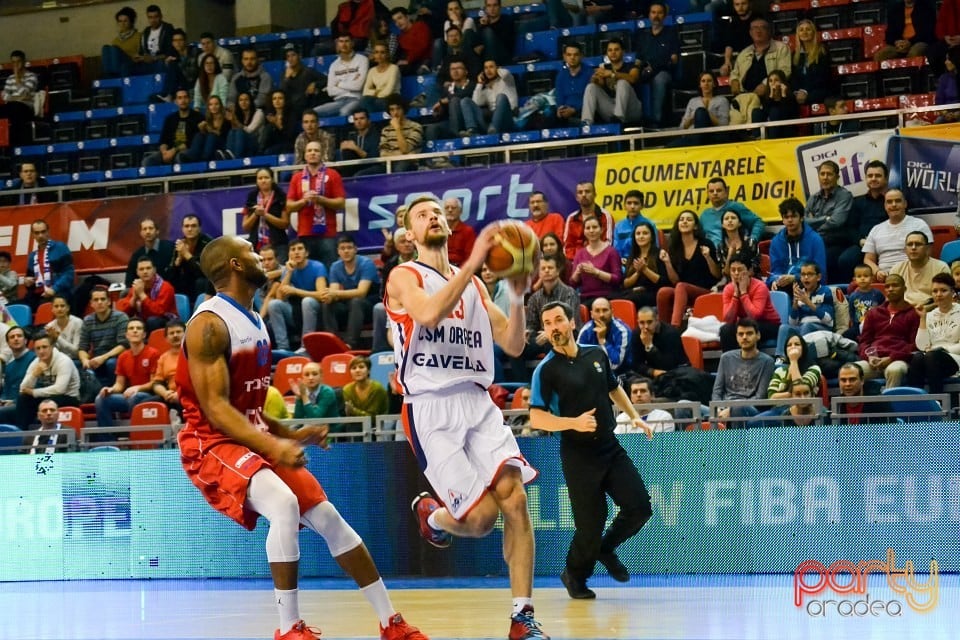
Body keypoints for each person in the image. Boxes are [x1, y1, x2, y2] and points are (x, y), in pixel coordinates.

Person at [175, 235, 427, 640]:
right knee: (284, 504)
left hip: (251, 436)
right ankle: (289, 628)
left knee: (330, 519)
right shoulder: (209, 324)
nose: (261, 257)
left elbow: (250, 411)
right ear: (236, 266)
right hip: (210, 443)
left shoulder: (254, 318)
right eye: (252, 253)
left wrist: (292, 432)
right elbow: (217, 410)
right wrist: (274, 446)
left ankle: (390, 623)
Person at [385, 196, 548, 639]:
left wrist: (516, 297)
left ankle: (522, 617)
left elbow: (513, 345)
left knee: (514, 498)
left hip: (478, 402)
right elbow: (429, 312)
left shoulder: (472, 285)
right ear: (409, 234)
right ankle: (433, 516)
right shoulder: (404, 276)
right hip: (430, 407)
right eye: (421, 214)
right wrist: (477, 260)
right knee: (480, 520)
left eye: (436, 211)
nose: (432, 216)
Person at [529, 300, 653, 599]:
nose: (554, 327)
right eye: (548, 324)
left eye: (558, 320)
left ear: (572, 323)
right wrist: (573, 422)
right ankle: (574, 574)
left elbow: (613, 387)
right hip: (578, 455)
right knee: (590, 524)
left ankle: (605, 549)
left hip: (610, 447)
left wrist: (634, 416)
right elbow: (536, 417)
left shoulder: (596, 354)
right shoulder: (545, 371)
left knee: (639, 506)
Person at [286, 140, 346, 267]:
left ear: (322, 153)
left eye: (316, 150)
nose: (312, 153)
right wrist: (304, 201)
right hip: (305, 233)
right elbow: (289, 206)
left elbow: (341, 203)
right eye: (309, 150)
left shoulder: (333, 175)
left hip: (327, 233)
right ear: (305, 155)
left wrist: (321, 199)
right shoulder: (297, 177)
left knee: (330, 270)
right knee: (307, 271)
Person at [855, 274, 919, 389]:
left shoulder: (913, 314)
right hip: (874, 361)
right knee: (852, 370)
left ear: (904, 289)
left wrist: (892, 358)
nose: (890, 289)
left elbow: (914, 345)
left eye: (895, 285)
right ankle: (856, 406)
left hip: (898, 359)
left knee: (894, 370)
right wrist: (869, 356)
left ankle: (889, 406)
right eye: (887, 286)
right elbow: (864, 341)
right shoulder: (874, 313)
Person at [94, 318, 161, 429]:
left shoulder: (153, 353)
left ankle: (135, 434)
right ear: (127, 335)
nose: (135, 331)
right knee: (101, 399)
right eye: (131, 328)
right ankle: (107, 440)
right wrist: (110, 389)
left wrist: (137, 388)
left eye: (138, 328)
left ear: (144, 335)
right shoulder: (123, 356)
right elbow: (119, 385)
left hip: (147, 395)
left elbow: (154, 383)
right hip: (129, 395)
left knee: (134, 397)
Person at [657, 210, 720, 327]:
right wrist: (667, 263)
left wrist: (708, 257)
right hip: (682, 291)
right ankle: (662, 329)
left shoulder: (706, 243)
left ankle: (674, 327)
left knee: (681, 286)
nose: (684, 222)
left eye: (689, 220)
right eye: (682, 220)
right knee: (663, 292)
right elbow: (675, 281)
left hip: (705, 290)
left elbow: (717, 275)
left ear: (695, 226)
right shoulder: (674, 247)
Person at [321, 234, 380, 349]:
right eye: (343, 249)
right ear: (338, 251)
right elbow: (334, 292)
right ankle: (333, 341)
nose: (346, 251)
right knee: (327, 304)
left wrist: (335, 293)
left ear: (355, 250)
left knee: (356, 301)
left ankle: (350, 344)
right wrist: (328, 296)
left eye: (349, 248)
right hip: (349, 305)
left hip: (369, 306)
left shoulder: (366, 263)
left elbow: (361, 292)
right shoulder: (335, 266)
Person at [268, 239, 329, 351]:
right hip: (297, 312)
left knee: (307, 301)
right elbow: (280, 297)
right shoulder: (289, 269)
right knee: (273, 305)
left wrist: (296, 291)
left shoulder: (317, 266)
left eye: (300, 249)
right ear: (289, 254)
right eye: (293, 250)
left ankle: (306, 346)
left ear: (306, 253)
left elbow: (322, 295)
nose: (296, 252)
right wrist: (289, 272)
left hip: (316, 311)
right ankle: (283, 347)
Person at [712, 317, 775, 425]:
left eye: (749, 333)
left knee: (738, 407)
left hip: (749, 410)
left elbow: (760, 397)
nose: (744, 337)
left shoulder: (767, 361)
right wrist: (719, 408)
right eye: (741, 334)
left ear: (758, 335)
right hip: (723, 409)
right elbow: (717, 391)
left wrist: (731, 409)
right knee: (684, 406)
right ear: (736, 337)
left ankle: (738, 442)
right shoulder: (726, 358)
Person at [863, 189, 933, 281]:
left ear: (905, 204)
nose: (893, 205)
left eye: (898, 201)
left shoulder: (919, 225)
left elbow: (926, 254)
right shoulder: (876, 229)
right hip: (885, 280)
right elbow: (868, 260)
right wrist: (877, 271)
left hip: (912, 277)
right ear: (885, 206)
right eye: (889, 202)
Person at [908, 272, 960, 393]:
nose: (939, 294)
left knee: (931, 356)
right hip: (931, 358)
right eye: (935, 291)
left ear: (953, 293)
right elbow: (921, 346)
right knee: (918, 357)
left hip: (955, 357)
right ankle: (916, 403)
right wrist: (922, 319)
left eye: (943, 290)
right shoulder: (930, 315)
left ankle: (937, 401)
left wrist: (943, 350)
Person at [719, 251, 780, 353]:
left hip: (770, 324)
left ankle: (752, 361)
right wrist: (735, 295)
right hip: (747, 322)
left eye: (740, 270)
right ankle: (730, 362)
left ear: (749, 271)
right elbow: (728, 319)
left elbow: (755, 315)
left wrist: (743, 293)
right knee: (725, 330)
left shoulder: (760, 287)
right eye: (733, 270)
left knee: (750, 328)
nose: (736, 274)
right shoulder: (728, 289)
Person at [804, 160, 853, 282]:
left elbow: (837, 222)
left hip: (835, 242)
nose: (825, 178)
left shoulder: (844, 196)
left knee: (822, 260)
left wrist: (814, 222)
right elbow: (803, 222)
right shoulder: (814, 198)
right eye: (822, 174)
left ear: (837, 177)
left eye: (829, 174)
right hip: (814, 241)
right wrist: (825, 218)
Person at [841, 160, 889, 279]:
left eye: (878, 176)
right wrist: (860, 241)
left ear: (886, 179)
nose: (873, 179)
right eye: (870, 176)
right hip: (862, 244)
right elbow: (850, 228)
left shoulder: (892, 200)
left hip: (885, 243)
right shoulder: (857, 202)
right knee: (845, 260)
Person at [767, 198, 827, 293]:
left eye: (794, 216)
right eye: (786, 217)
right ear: (782, 220)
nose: (790, 220)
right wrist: (774, 281)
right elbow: (775, 270)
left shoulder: (815, 240)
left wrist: (796, 278)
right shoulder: (776, 242)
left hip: (809, 287)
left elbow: (820, 273)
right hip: (784, 287)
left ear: (802, 218)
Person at [634, 2, 679, 129]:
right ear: (649, 15)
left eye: (659, 13)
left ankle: (656, 121)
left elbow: (673, 59)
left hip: (664, 71)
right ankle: (638, 120)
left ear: (664, 16)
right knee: (631, 78)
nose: (656, 16)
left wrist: (655, 66)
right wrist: (636, 70)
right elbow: (638, 59)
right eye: (653, 12)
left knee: (659, 79)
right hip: (645, 71)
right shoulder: (643, 36)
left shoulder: (671, 33)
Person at [580, 38, 643, 126]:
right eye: (610, 50)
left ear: (623, 52)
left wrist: (612, 74)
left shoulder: (631, 66)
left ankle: (619, 117)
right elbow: (600, 84)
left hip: (631, 110)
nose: (613, 53)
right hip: (611, 109)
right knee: (591, 87)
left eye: (616, 49)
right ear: (607, 53)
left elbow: (633, 78)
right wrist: (595, 80)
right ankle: (586, 123)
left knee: (622, 82)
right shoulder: (603, 68)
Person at [78, 285, 129, 386]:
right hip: (97, 359)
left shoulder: (121, 317)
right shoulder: (87, 320)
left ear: (109, 302)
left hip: (116, 357)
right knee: (75, 364)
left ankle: (116, 390)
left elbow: (124, 345)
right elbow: (82, 347)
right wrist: (85, 360)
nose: (100, 302)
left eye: (102, 299)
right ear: (91, 303)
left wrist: (104, 357)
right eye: (96, 300)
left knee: (111, 363)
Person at [141, 89, 204, 167]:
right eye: (180, 98)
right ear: (175, 101)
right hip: (169, 151)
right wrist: (164, 152)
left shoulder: (198, 117)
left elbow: (192, 142)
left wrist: (173, 151)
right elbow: (163, 140)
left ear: (190, 100)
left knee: (179, 157)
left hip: (187, 151)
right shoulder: (170, 119)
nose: (183, 100)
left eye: (185, 97)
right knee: (147, 161)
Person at [570, 216, 622, 310]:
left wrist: (596, 272)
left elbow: (617, 279)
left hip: (607, 297)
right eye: (588, 228)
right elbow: (573, 283)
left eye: (594, 227)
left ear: (601, 230)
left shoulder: (611, 252)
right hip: (585, 298)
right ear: (584, 231)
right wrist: (577, 272)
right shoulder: (580, 253)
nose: (591, 231)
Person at [23, 219, 75, 312]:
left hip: (59, 293)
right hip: (37, 295)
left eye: (43, 232)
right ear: (33, 235)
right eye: (37, 233)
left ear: (48, 232)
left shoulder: (60, 247)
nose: (40, 236)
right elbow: (30, 282)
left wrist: (54, 289)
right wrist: (27, 282)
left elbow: (69, 273)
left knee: (43, 306)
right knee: (11, 307)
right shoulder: (32, 256)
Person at [116, 256, 178, 333]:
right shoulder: (137, 287)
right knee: (126, 323)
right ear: (137, 272)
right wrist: (134, 298)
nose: (145, 271)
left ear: (154, 270)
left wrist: (142, 295)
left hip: (167, 322)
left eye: (148, 268)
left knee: (152, 321)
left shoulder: (166, 287)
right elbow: (121, 313)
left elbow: (159, 312)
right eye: (141, 269)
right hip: (143, 321)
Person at [698, 176, 763, 247]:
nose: (715, 193)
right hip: (712, 254)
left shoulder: (736, 207)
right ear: (707, 194)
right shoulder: (704, 215)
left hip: (736, 253)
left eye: (719, 190)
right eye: (711, 191)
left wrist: (753, 239)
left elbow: (758, 222)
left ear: (726, 192)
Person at [890, 231, 949, 307]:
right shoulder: (896, 269)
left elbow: (945, 298)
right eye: (910, 244)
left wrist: (924, 309)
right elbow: (891, 298)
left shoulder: (941, 267)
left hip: (931, 312)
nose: (913, 248)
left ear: (927, 248)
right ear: (905, 249)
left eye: (918, 244)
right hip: (902, 312)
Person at [242, 168, 290, 262]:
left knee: (279, 272)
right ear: (256, 181)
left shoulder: (281, 196)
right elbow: (245, 227)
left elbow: (285, 224)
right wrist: (256, 214)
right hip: (256, 245)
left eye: (266, 177)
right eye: (260, 178)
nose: (263, 180)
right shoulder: (251, 197)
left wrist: (265, 215)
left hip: (278, 245)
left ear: (272, 179)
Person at [314, 36, 369, 118]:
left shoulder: (362, 60)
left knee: (344, 112)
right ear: (337, 44)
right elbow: (330, 91)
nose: (344, 44)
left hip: (356, 99)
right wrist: (351, 84)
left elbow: (358, 86)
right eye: (341, 41)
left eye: (347, 41)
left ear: (352, 43)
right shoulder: (334, 65)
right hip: (338, 101)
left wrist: (339, 84)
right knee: (314, 113)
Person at [460, 58, 517, 135]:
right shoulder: (486, 89)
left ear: (497, 68)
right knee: (465, 101)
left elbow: (505, 74)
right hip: (490, 121)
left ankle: (494, 128)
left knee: (501, 97)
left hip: (507, 117)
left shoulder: (507, 81)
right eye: (486, 68)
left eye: (491, 67)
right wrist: (480, 83)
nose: (488, 70)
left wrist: (498, 70)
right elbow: (476, 102)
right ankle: (472, 130)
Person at [577, 297, 632, 375]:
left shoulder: (623, 331)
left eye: (605, 310)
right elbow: (577, 360)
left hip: (621, 374)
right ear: (591, 314)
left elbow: (614, 366)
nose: (601, 315)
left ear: (612, 312)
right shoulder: (585, 331)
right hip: (593, 374)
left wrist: (602, 340)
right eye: (597, 311)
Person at [673, 71, 729, 147]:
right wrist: (694, 116)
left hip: (713, 137)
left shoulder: (722, 100)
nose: (706, 84)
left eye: (709, 81)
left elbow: (724, 125)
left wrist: (706, 112)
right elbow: (682, 128)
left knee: (701, 112)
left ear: (714, 84)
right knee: (668, 147)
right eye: (703, 81)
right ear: (700, 85)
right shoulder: (693, 101)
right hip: (692, 136)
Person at [621, 221, 667, 311]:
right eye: (638, 234)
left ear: (651, 237)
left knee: (630, 299)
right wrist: (638, 272)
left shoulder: (659, 254)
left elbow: (663, 282)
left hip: (652, 292)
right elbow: (625, 283)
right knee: (612, 297)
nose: (641, 236)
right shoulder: (633, 255)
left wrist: (645, 270)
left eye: (645, 233)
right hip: (633, 291)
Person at [167, 215, 213, 305]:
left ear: (199, 228)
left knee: (200, 282)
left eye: (193, 226)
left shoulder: (207, 243)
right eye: (186, 226)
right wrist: (178, 261)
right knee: (171, 283)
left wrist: (187, 255)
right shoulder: (180, 244)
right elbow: (170, 275)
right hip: (186, 282)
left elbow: (205, 272)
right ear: (182, 229)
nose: (189, 229)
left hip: (204, 282)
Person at [563, 181, 615, 260]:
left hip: (599, 261)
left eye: (587, 191)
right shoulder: (571, 218)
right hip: (575, 261)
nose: (584, 195)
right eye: (580, 192)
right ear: (576, 197)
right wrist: (578, 259)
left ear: (595, 195)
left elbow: (608, 244)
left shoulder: (605, 216)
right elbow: (567, 246)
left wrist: (592, 259)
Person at [791, 19, 833, 107]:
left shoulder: (822, 51)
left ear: (813, 33)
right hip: (800, 93)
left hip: (818, 90)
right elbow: (794, 78)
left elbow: (823, 77)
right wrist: (797, 92)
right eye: (801, 30)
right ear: (798, 34)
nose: (804, 32)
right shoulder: (795, 54)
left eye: (808, 29)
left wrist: (805, 91)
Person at [0, 50, 38, 147]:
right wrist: (19, 98)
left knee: (16, 109)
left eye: (18, 62)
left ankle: (15, 144)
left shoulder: (32, 77)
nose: (15, 65)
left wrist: (17, 78)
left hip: (26, 108)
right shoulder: (9, 78)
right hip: (11, 106)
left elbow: (24, 92)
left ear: (24, 62)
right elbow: (5, 97)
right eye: (13, 62)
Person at [378, 94, 423, 172]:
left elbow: (404, 149)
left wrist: (397, 128)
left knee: (399, 168)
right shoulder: (385, 130)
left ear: (404, 109)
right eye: (392, 110)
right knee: (361, 174)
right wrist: (406, 155)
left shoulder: (416, 127)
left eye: (398, 109)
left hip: (409, 164)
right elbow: (383, 155)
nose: (395, 113)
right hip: (389, 164)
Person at [126, 218, 175, 288]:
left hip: (168, 290)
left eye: (150, 228)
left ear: (157, 231)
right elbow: (129, 281)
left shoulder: (170, 248)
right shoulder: (137, 255)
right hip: (145, 292)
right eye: (144, 229)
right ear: (141, 233)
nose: (148, 232)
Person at [553, 43, 593, 126]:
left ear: (581, 56)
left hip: (583, 112)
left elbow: (591, 98)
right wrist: (560, 109)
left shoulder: (589, 73)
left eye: (576, 55)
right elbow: (559, 97)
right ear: (564, 57)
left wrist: (574, 109)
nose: (572, 57)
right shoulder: (560, 76)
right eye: (569, 55)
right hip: (565, 113)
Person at [151, 319, 185, 414]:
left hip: (190, 395)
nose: (175, 335)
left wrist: (179, 395)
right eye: (171, 333)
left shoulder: (194, 355)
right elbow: (157, 383)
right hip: (170, 395)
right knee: (146, 405)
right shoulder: (163, 358)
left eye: (178, 332)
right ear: (166, 338)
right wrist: (165, 393)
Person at [342, 355, 389, 423]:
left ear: (368, 371)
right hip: (355, 425)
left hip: (378, 427)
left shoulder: (377, 388)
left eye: (361, 367)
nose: (357, 370)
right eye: (354, 368)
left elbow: (372, 418)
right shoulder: (347, 389)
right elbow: (349, 416)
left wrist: (354, 411)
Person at [612, 190, 657, 262]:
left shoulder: (650, 224)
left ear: (642, 206)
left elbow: (655, 249)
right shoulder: (618, 226)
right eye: (629, 203)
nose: (632, 206)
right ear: (624, 206)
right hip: (623, 264)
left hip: (646, 262)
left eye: (636, 203)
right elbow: (615, 250)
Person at [844, 263, 886, 339]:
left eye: (866, 276)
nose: (862, 278)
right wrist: (855, 326)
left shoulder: (877, 294)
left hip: (875, 326)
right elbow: (852, 312)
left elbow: (884, 309)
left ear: (872, 278)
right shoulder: (853, 296)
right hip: (858, 327)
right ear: (855, 279)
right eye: (859, 276)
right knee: (845, 336)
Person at [281, 44, 325, 115]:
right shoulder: (285, 75)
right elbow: (282, 93)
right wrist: (286, 79)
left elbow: (326, 80)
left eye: (293, 55)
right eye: (288, 56)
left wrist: (315, 84)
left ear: (299, 56)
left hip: (306, 105)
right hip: (292, 107)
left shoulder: (308, 71)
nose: (290, 59)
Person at [361, 42, 402, 113]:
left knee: (376, 102)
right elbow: (365, 91)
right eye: (376, 52)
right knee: (364, 100)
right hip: (377, 98)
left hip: (392, 98)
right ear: (373, 55)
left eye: (382, 52)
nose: (379, 55)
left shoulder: (394, 68)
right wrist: (376, 92)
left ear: (387, 54)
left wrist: (375, 93)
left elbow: (389, 91)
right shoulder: (372, 70)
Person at [224, 90, 265, 159]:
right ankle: (229, 155)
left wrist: (236, 121)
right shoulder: (238, 114)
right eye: (241, 100)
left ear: (251, 101)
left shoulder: (259, 113)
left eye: (246, 100)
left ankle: (236, 157)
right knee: (232, 132)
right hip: (243, 144)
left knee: (240, 131)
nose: (243, 102)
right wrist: (232, 120)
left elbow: (250, 130)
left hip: (256, 144)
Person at [391, 7, 432, 74]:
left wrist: (408, 60)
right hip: (411, 63)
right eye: (395, 21)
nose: (398, 23)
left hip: (424, 60)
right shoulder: (400, 37)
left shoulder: (420, 26)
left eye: (400, 18)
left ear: (407, 17)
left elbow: (422, 46)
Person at [261, 90, 299, 156]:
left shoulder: (291, 114)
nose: (277, 101)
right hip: (273, 144)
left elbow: (290, 136)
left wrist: (277, 123)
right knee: (268, 128)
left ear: (285, 100)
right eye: (274, 99)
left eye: (280, 98)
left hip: (287, 144)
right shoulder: (270, 115)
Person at [44, 295, 83, 360]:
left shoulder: (77, 322)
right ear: (52, 309)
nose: (59, 309)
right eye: (56, 306)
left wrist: (58, 338)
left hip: (75, 360)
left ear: (68, 308)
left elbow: (77, 352)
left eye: (62, 306)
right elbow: (50, 353)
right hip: (57, 361)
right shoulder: (50, 326)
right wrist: (52, 341)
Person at [443, 197, 476, 266]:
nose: (450, 210)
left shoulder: (467, 231)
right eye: (447, 208)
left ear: (460, 211)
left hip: (459, 270)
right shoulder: (438, 230)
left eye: (453, 208)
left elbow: (470, 258)